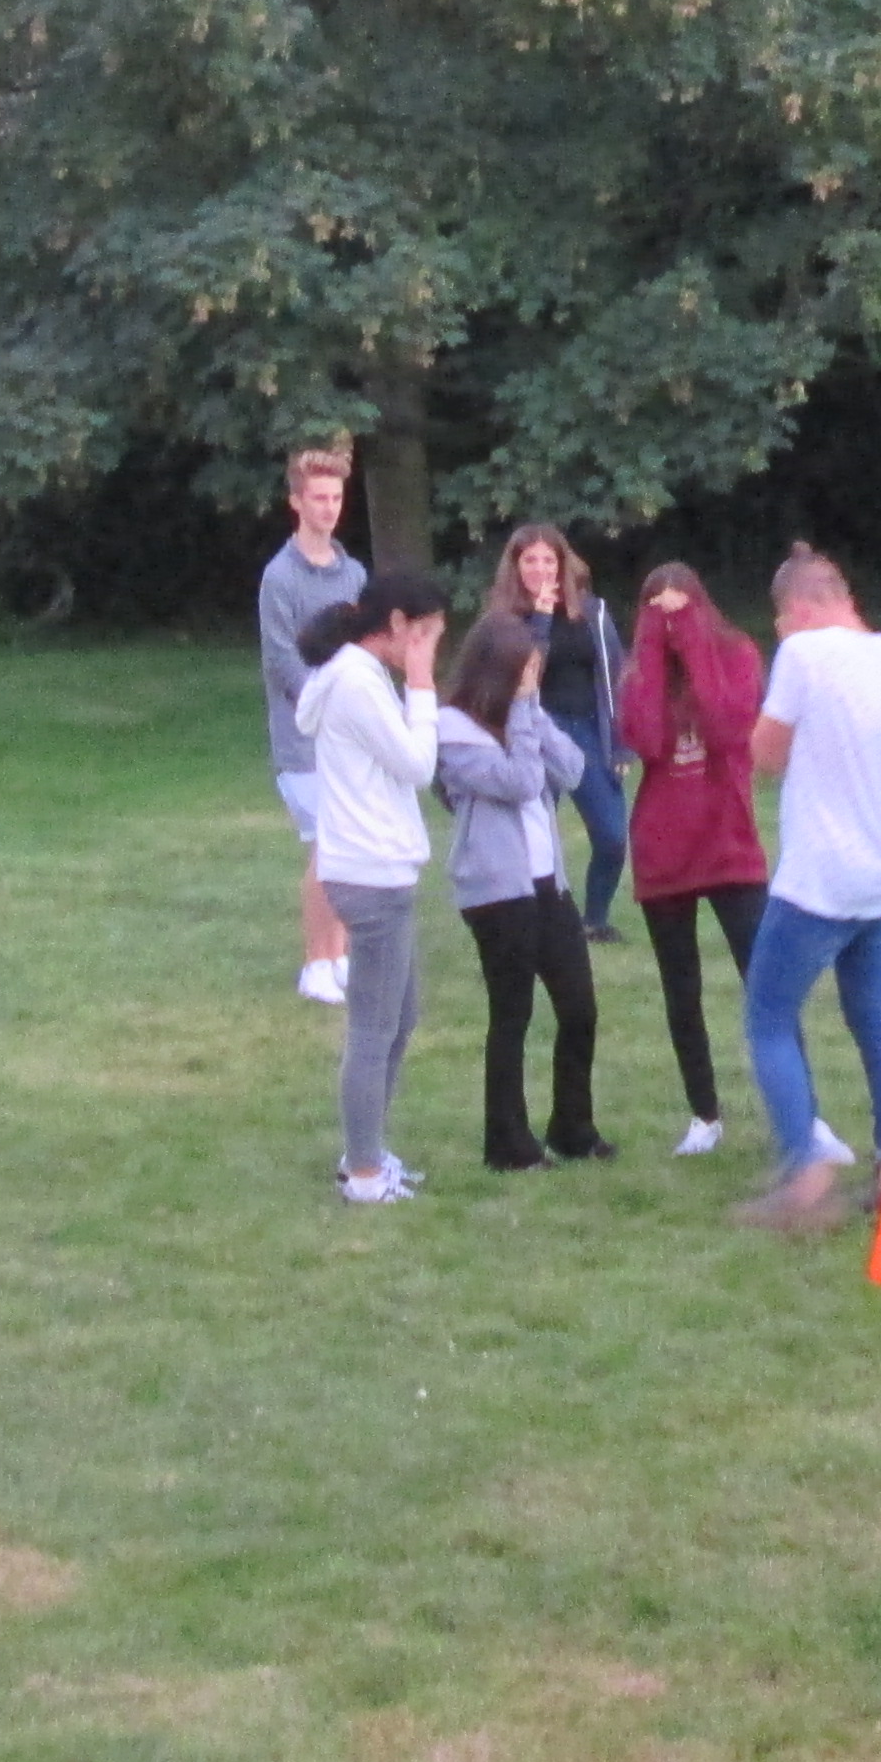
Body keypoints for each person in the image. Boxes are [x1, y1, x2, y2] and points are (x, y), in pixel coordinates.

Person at [736, 545, 881, 1236]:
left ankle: (805, 1169)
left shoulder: (804, 655)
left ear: (799, 610)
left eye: (782, 623)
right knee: (876, 1021)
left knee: (768, 1017)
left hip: (819, 877)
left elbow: (765, 755)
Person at [434, 615, 613, 1169]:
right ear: (497, 671)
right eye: (525, 671)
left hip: (547, 882)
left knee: (579, 1007)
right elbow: (521, 781)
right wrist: (519, 712)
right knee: (512, 1013)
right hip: (496, 888)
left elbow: (573, 768)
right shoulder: (452, 731)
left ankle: (573, 1129)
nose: (532, 679)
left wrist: (531, 711)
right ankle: (508, 1144)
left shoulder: (524, 716)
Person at [297, 567, 452, 1202]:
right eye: (427, 635)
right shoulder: (357, 681)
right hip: (370, 875)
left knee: (400, 1016)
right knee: (373, 1028)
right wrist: (422, 684)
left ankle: (366, 1150)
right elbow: (418, 764)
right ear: (396, 625)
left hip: (376, 870)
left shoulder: (357, 676)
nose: (432, 648)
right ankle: (362, 1174)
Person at [615, 559, 770, 1157]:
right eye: (657, 608)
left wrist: (693, 643)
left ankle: (797, 1113)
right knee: (682, 990)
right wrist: (657, 650)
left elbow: (727, 727)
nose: (669, 617)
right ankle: (704, 1115)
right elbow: (650, 740)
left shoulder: (737, 654)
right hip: (664, 849)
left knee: (764, 979)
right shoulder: (639, 670)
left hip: (728, 840)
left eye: (680, 605)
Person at [256, 443, 369, 1003]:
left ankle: (338, 955)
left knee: (346, 848)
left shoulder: (354, 573)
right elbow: (283, 661)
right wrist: (328, 706)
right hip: (303, 741)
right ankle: (314, 965)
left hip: (349, 738)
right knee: (327, 847)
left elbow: (363, 648)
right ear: (296, 503)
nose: (329, 508)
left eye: (336, 498)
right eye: (318, 498)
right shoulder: (279, 577)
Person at [489, 523, 631, 940]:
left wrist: (620, 743)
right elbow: (525, 672)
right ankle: (538, 923)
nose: (540, 569)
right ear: (515, 566)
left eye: (548, 560)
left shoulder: (593, 612)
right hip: (535, 732)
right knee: (534, 839)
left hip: (587, 731)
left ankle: (594, 921)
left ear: (562, 564)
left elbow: (615, 676)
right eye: (530, 560)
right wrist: (542, 619)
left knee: (612, 836)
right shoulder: (505, 619)